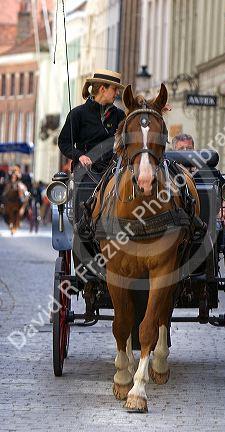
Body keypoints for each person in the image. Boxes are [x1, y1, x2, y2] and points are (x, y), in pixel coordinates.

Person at [58, 69, 125, 320]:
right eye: (114, 89)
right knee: (82, 221)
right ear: (101, 89)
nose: (116, 93)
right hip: (88, 172)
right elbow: (64, 143)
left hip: (114, 170)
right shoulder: (78, 114)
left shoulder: (119, 115)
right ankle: (87, 269)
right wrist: (79, 156)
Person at [172, 133, 225, 228]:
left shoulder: (208, 171)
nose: (185, 153)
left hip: (208, 225)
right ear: (173, 152)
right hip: (176, 227)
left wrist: (222, 208)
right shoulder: (168, 174)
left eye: (189, 149)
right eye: (181, 149)